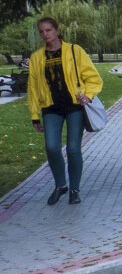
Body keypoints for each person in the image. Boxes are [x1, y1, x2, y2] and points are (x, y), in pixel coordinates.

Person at [27, 17, 102, 205]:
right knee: (51, 147)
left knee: (73, 148)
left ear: (57, 30)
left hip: (74, 106)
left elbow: (93, 78)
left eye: (48, 30)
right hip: (50, 108)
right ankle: (61, 186)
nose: (45, 35)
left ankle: (75, 189)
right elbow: (33, 88)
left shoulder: (74, 51)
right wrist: (34, 116)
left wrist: (88, 95)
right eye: (42, 32)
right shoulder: (37, 57)